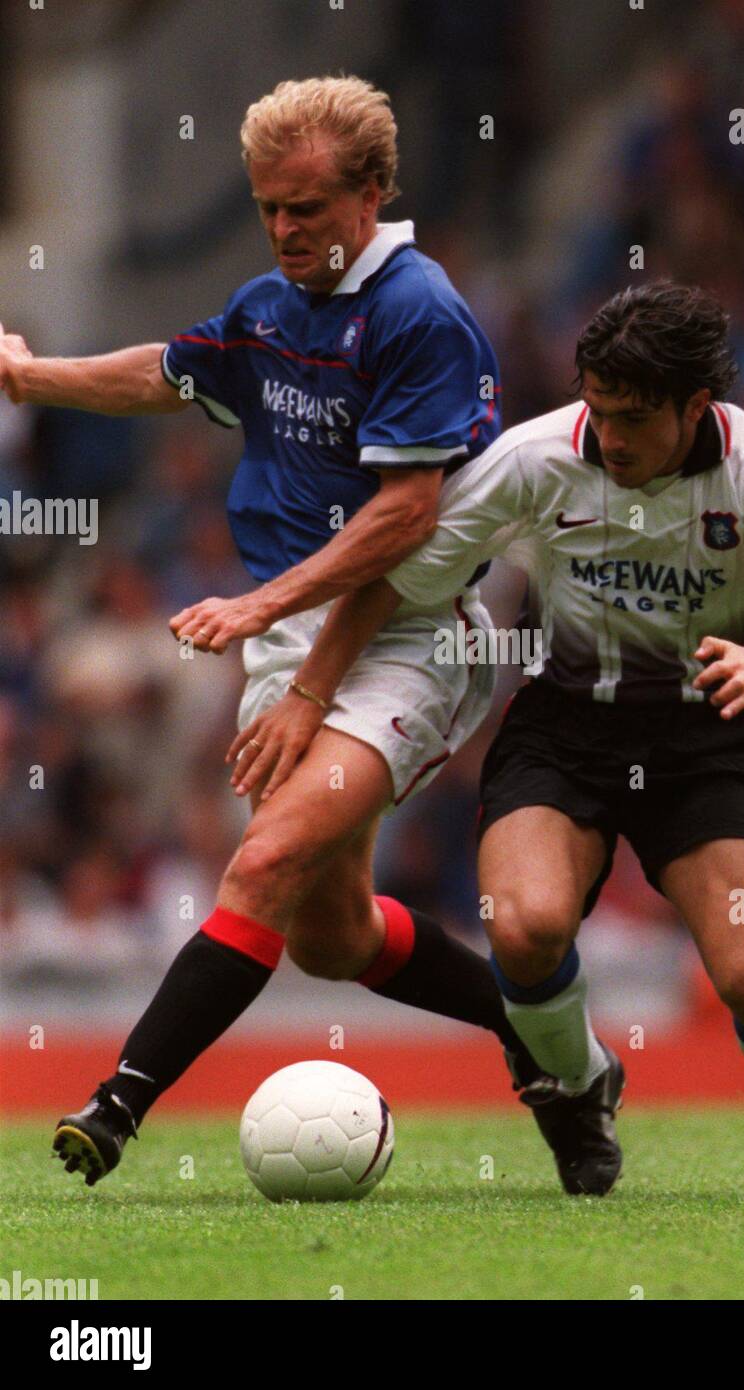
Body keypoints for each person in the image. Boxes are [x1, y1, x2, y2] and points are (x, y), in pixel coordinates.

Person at [0, 74, 548, 1186]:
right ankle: (537, 1034)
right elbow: (168, 373)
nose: (287, 230)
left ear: (373, 195)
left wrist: (258, 604)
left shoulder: (418, 312)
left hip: (411, 634)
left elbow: (408, 514)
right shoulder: (270, 304)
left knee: (266, 857)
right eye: (268, 209)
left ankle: (116, 1105)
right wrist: (26, 375)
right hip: (295, 637)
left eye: (306, 207)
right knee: (331, 934)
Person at [250, 281, 744, 1197]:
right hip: (564, 730)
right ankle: (578, 1088)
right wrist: (310, 691)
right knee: (523, 926)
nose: (610, 435)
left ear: (694, 408)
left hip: (705, 737)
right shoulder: (537, 457)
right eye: (598, 407)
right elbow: (397, 575)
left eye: (633, 417)